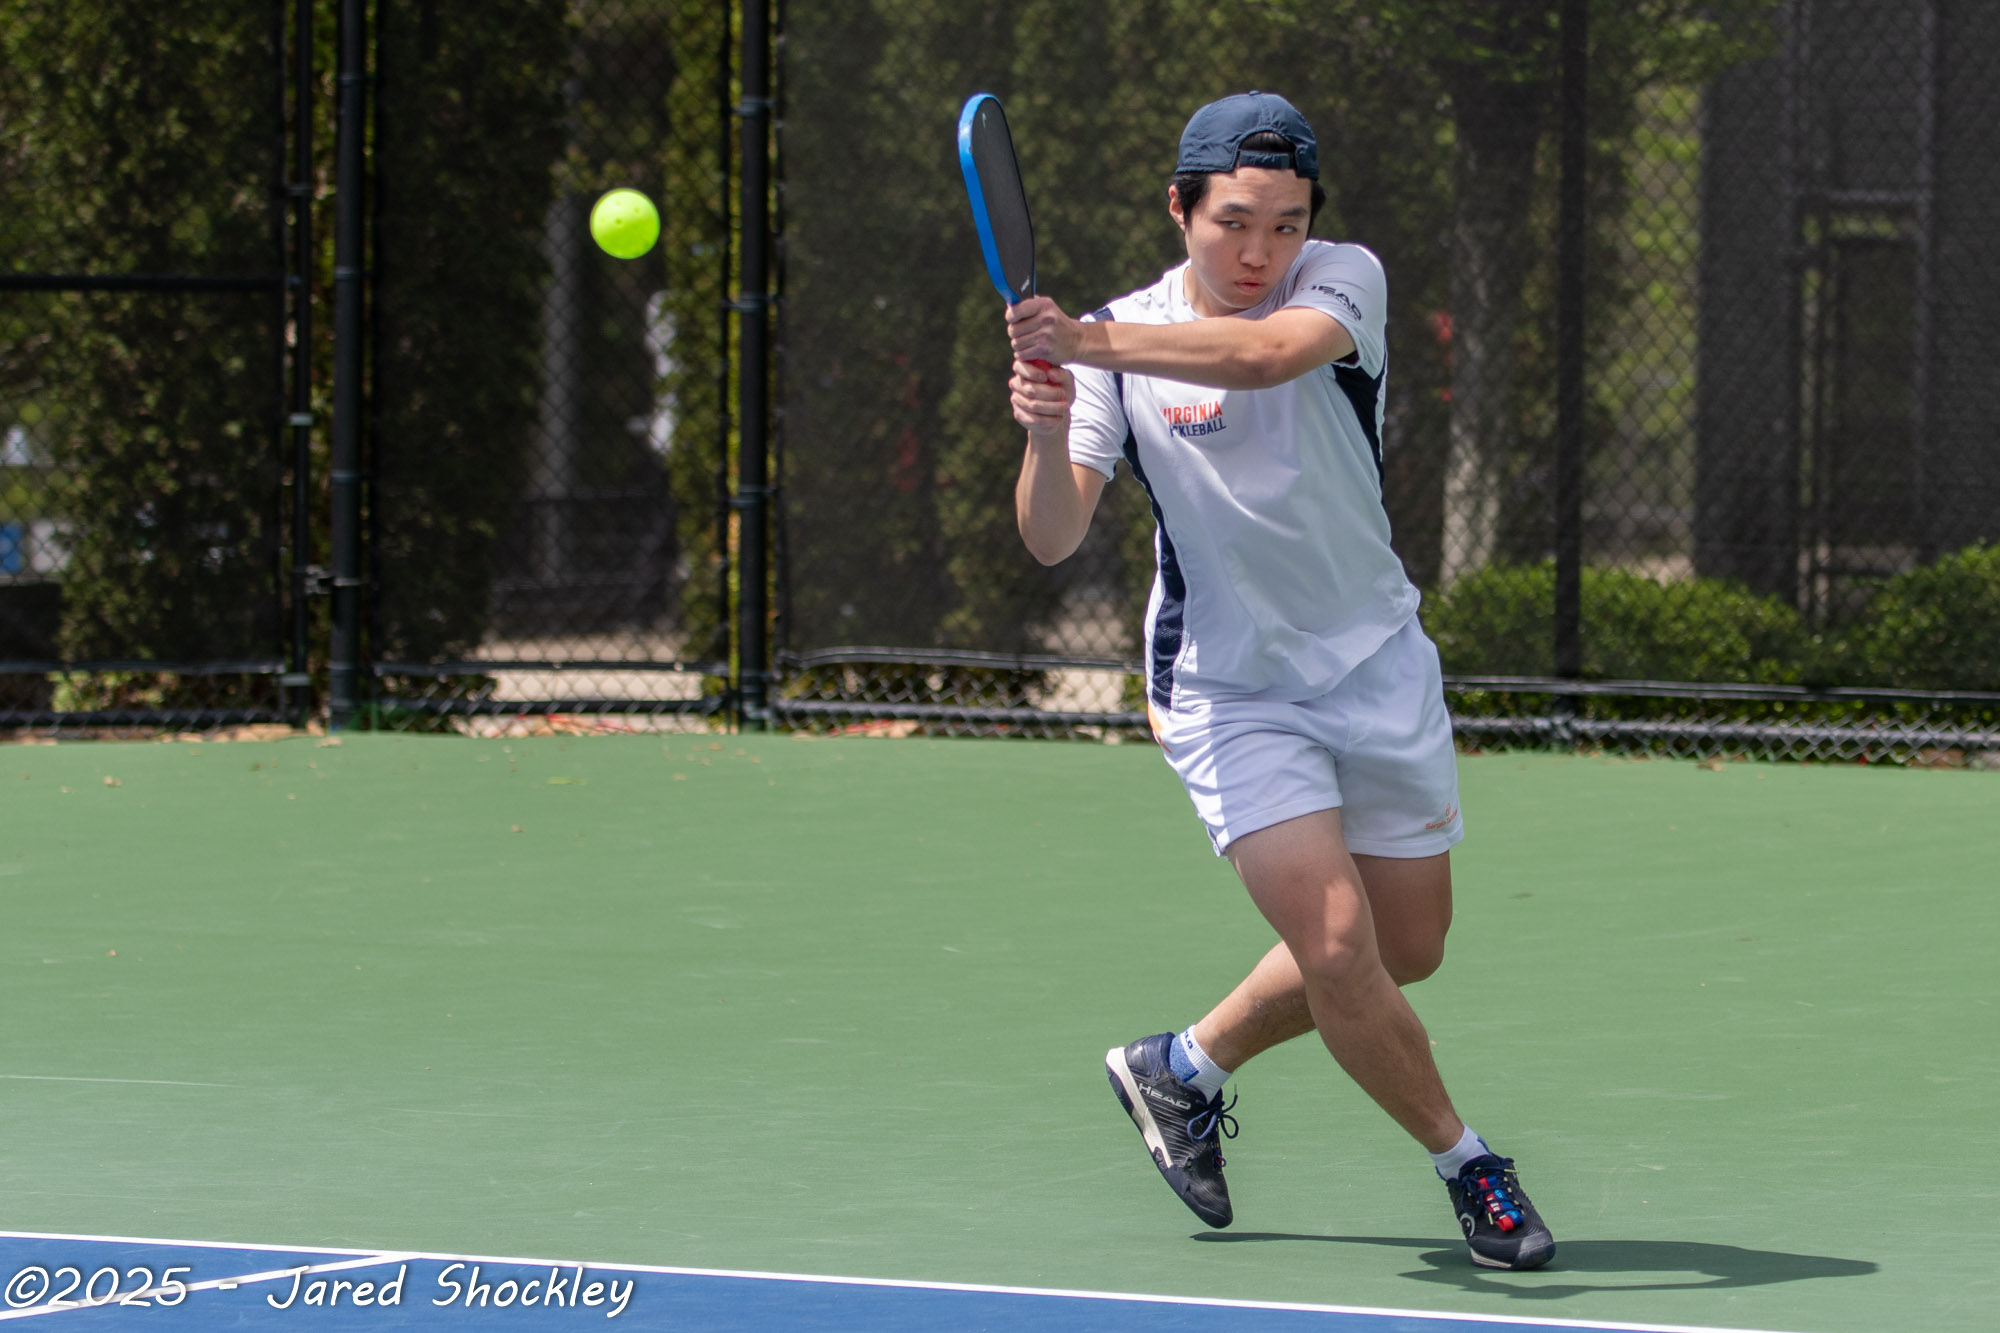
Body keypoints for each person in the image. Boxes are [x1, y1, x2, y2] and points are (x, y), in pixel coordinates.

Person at [1004, 91, 1554, 1271]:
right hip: (1229, 690)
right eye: (1234, 222)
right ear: (1178, 207)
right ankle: (1470, 1168)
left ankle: (1181, 1066)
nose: (1259, 252)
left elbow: (1262, 358)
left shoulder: (1340, 281)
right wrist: (1047, 428)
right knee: (1339, 944)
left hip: (1374, 662)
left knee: (1407, 947)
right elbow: (1050, 535)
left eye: (1284, 224)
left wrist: (1081, 343)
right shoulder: (1119, 339)